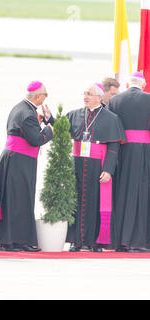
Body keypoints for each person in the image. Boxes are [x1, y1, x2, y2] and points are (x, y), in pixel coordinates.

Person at [0, 81, 53, 252]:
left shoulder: (21, 108)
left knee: (15, 200)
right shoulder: (28, 113)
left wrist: (41, 122)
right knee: (18, 201)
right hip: (20, 161)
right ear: (38, 96)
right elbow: (37, 139)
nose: (46, 98)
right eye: (46, 94)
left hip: (15, 159)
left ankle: (13, 240)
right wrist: (49, 129)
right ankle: (13, 241)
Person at [66, 83, 126, 252]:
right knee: (75, 202)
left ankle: (94, 242)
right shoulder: (74, 114)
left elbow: (114, 147)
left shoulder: (111, 118)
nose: (85, 97)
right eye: (85, 93)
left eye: (89, 94)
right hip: (77, 165)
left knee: (96, 204)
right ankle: (75, 241)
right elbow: (61, 129)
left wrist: (108, 170)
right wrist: (49, 119)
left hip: (97, 167)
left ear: (99, 97)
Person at [108, 72, 150, 252]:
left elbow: (109, 126)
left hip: (121, 151)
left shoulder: (115, 100)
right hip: (144, 152)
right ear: (144, 84)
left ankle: (119, 240)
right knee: (141, 194)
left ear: (127, 85)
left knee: (122, 192)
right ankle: (138, 241)